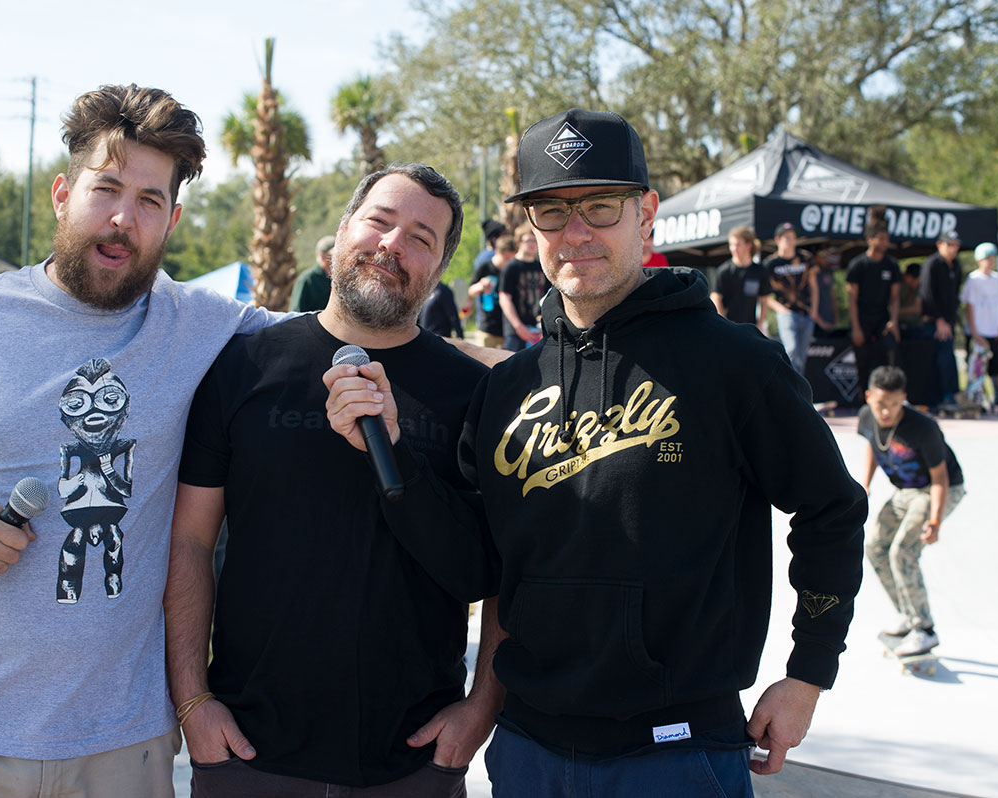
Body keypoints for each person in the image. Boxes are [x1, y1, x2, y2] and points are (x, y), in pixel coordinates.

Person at [326, 108, 867, 796]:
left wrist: (808, 674)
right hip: (529, 752)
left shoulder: (734, 363)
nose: (574, 233)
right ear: (530, 229)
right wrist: (393, 455)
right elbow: (472, 568)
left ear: (646, 215)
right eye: (550, 212)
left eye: (600, 207)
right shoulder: (509, 389)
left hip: (678, 753)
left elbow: (831, 508)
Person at [0, 84, 293, 798]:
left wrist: (514, 371)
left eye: (150, 201)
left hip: (122, 739)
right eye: (107, 189)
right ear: (63, 194)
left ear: (173, 220)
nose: (125, 218)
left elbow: (335, 336)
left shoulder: (203, 325)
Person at [167, 163, 505, 797]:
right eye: (380, 221)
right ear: (345, 229)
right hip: (248, 751)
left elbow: (499, 570)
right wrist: (193, 702)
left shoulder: (473, 392)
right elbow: (189, 543)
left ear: (438, 270)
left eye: (420, 238)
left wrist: (480, 708)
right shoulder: (243, 366)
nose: (392, 245)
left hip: (411, 760)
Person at [858, 366, 965, 657]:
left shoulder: (923, 428)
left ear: (904, 398)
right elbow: (873, 444)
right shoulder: (866, 416)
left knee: (902, 551)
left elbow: (941, 479)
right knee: (875, 547)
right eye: (880, 404)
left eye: (894, 405)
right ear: (869, 397)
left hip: (937, 490)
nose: (886, 412)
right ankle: (907, 614)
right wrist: (864, 484)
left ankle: (924, 629)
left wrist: (935, 521)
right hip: (906, 491)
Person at [846, 211, 902, 394]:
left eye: (887, 239)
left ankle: (891, 394)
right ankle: (864, 399)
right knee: (862, 360)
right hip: (862, 318)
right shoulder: (858, 265)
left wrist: (893, 320)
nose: (885, 243)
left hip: (883, 318)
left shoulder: (891, 265)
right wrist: (856, 327)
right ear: (870, 239)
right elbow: (852, 298)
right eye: (880, 238)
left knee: (889, 351)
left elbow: (895, 297)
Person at [960, 242, 998, 414]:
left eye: (992, 259)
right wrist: (974, 332)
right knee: (977, 368)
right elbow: (969, 306)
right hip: (978, 331)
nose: (990, 262)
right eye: (987, 259)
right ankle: (977, 400)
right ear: (979, 260)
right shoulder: (974, 279)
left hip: (994, 330)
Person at [764, 222, 820, 374]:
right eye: (787, 238)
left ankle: (797, 389)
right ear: (778, 240)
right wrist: (781, 310)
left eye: (793, 238)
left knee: (802, 356)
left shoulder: (805, 258)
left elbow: (814, 285)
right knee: (791, 350)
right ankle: (787, 385)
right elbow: (764, 295)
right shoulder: (770, 263)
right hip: (786, 314)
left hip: (807, 313)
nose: (791, 241)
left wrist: (815, 310)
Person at [919, 231, 964, 407]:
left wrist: (951, 319)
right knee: (940, 359)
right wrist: (939, 320)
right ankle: (941, 398)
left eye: (955, 245)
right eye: (949, 245)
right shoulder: (932, 264)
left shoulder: (956, 266)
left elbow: (954, 295)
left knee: (949, 358)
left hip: (948, 321)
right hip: (934, 322)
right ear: (940, 245)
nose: (952, 249)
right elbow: (927, 294)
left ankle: (951, 394)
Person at [498, 224, 549, 350]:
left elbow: (549, 295)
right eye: (528, 240)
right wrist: (518, 326)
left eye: (535, 240)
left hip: (538, 329)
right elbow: (504, 298)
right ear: (519, 242)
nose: (532, 244)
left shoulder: (542, 267)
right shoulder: (511, 267)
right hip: (515, 331)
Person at [710, 225, 770, 327]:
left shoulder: (760, 271)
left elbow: (764, 300)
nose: (734, 249)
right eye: (731, 245)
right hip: (728, 327)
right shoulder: (724, 271)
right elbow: (715, 298)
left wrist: (760, 324)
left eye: (738, 245)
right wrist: (725, 323)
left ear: (748, 246)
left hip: (751, 327)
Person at [468, 232, 514, 348]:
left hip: (507, 328)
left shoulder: (511, 270)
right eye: (506, 258)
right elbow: (471, 291)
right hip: (487, 328)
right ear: (497, 252)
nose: (508, 262)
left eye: (511, 259)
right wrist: (481, 286)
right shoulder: (485, 267)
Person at [288, 234, 335, 312]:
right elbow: (296, 313)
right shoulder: (307, 279)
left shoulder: (340, 279)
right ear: (322, 256)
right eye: (333, 255)